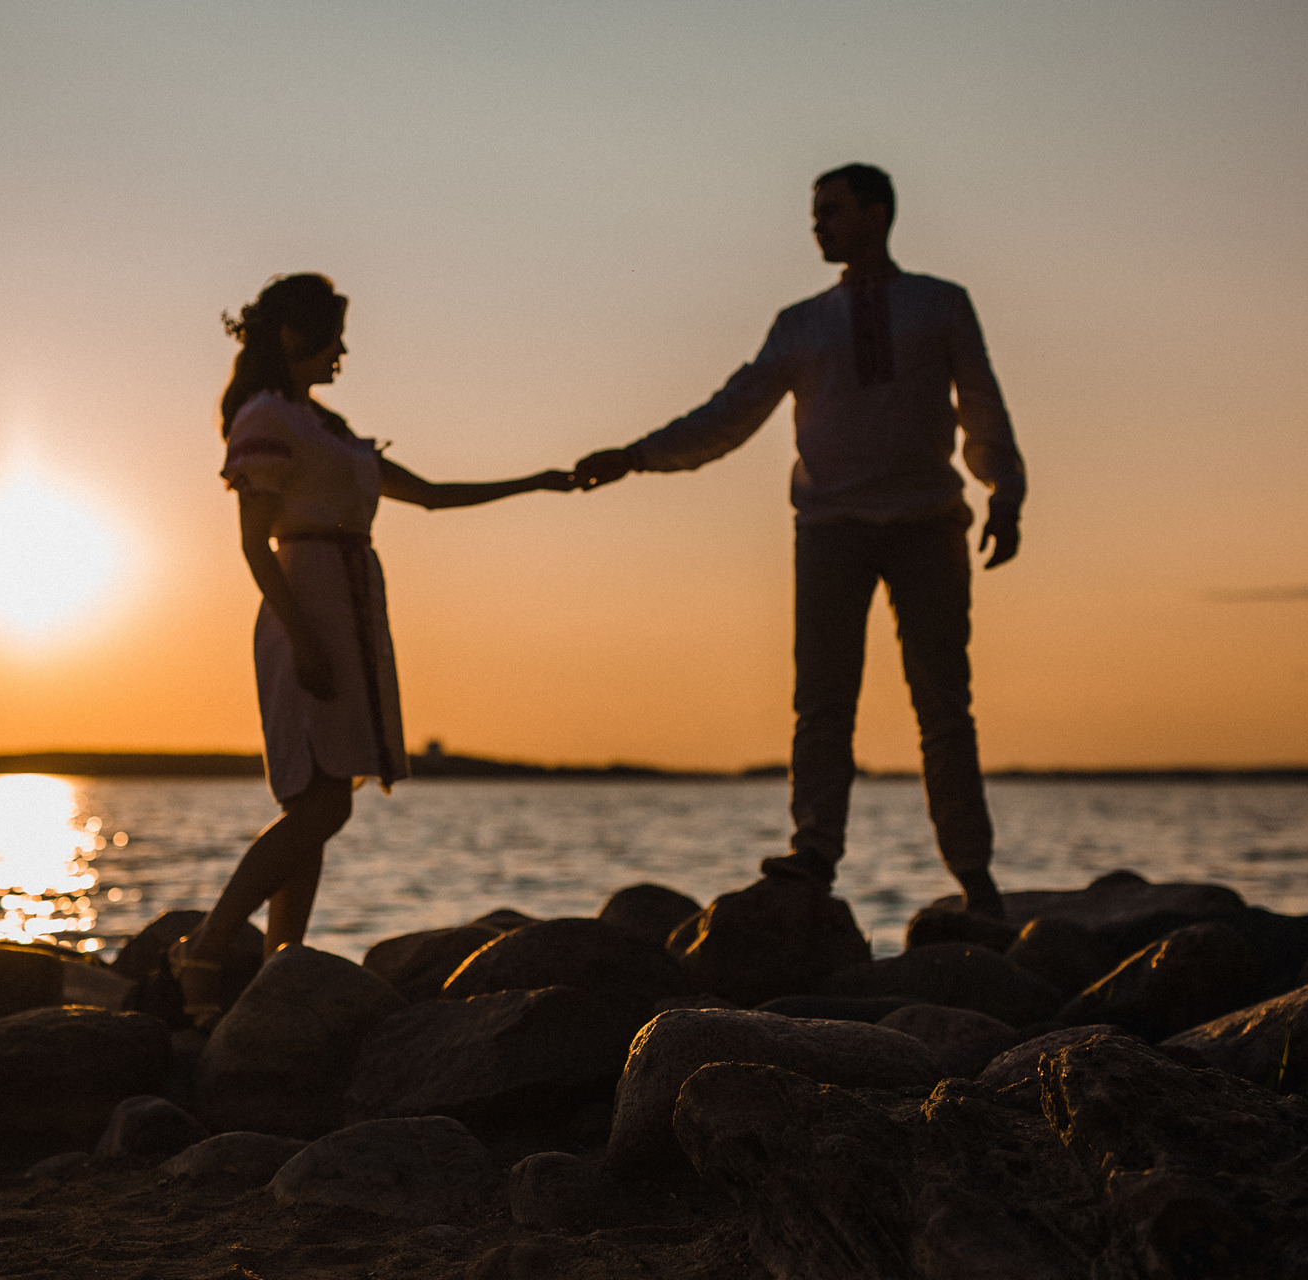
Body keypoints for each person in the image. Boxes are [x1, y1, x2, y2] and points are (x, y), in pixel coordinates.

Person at [573, 164, 1024, 919]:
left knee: (944, 705)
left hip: (928, 525)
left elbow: (981, 403)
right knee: (821, 702)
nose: (818, 225)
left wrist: (1004, 491)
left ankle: (973, 875)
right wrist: (635, 455)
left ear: (877, 214)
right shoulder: (801, 322)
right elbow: (733, 411)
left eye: (833, 212)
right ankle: (814, 853)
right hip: (829, 529)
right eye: (815, 214)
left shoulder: (939, 305)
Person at [173, 273, 573, 1025]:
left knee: (320, 800)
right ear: (295, 335)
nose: (344, 349)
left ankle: (275, 976)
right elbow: (252, 545)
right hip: (309, 599)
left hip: (352, 598)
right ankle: (206, 943)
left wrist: (536, 482)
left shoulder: (325, 425)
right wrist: (302, 637)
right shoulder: (264, 418)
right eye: (333, 334)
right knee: (320, 805)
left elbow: (430, 494)